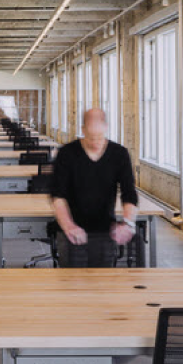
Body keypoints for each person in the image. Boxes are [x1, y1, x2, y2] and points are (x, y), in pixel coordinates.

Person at [50, 108, 139, 267]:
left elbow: (129, 194)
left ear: (106, 128)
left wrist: (127, 223)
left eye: (99, 137)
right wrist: (69, 226)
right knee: (71, 284)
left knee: (103, 285)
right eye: (91, 137)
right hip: (71, 231)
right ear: (83, 130)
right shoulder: (67, 154)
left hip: (105, 230)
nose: (96, 143)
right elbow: (58, 196)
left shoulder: (119, 154)